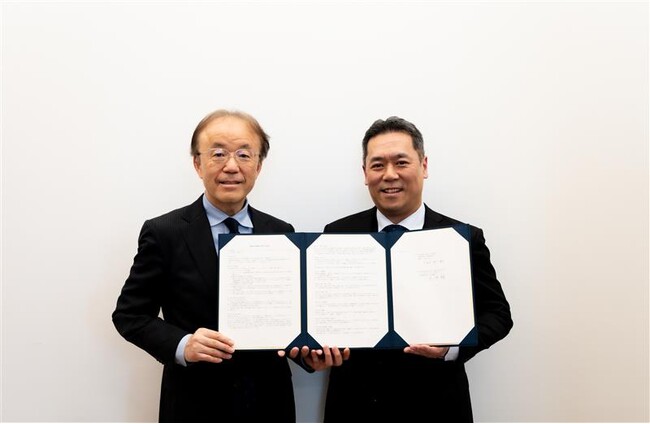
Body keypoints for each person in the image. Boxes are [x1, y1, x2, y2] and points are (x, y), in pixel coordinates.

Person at [322, 116, 513, 423]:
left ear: (424, 166)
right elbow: (322, 314)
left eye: (401, 162)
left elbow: (498, 315)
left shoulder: (461, 237)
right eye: (377, 165)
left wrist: (451, 348)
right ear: (365, 173)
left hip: (437, 404)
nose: (390, 175)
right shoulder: (337, 234)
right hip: (355, 405)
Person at [112, 109, 298, 422]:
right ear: (198, 164)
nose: (231, 166)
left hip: (269, 401)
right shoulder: (164, 232)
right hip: (193, 402)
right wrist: (183, 345)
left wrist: (309, 355)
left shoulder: (282, 232)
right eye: (218, 153)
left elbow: (292, 318)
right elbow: (129, 315)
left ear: (259, 165)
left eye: (244, 154)